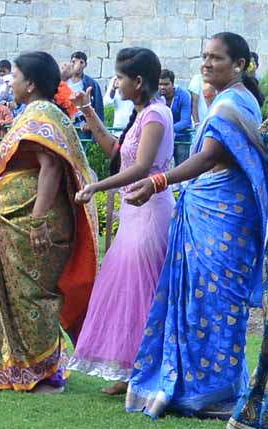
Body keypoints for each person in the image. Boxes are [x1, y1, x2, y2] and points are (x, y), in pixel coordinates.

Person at [125, 33, 268, 419]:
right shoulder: (229, 101)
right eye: (204, 56)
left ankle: (215, 392)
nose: (206, 63)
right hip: (210, 211)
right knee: (195, 300)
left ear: (239, 64)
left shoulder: (233, 104)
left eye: (216, 58)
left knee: (219, 302)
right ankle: (197, 388)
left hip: (227, 218)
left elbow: (208, 158)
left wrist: (158, 181)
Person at [0, 51, 97, 393]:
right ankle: (23, 366)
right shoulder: (35, 113)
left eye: (14, 77)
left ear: (30, 84)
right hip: (17, 218)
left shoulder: (43, 114)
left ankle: (45, 373)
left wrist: (36, 221)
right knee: (23, 295)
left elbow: (50, 168)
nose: (9, 83)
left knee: (34, 294)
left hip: (32, 220)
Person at [66, 48, 174, 395]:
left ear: (138, 81)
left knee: (143, 291)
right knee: (129, 289)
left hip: (150, 209)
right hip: (134, 211)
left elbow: (141, 168)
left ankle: (144, 371)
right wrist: (87, 110)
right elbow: (118, 153)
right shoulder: (141, 114)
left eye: (121, 77)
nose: (117, 83)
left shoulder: (156, 114)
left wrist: (95, 185)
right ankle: (130, 370)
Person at [158, 69, 193, 165]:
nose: (162, 87)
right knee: (160, 166)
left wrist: (167, 129)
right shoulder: (156, 95)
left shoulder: (184, 95)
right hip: (162, 138)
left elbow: (185, 121)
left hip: (181, 137)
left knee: (182, 168)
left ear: (173, 84)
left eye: (166, 84)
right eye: (160, 84)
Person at [68, 51, 104, 122]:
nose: (77, 65)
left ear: (85, 65)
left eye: (81, 62)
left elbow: (98, 108)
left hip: (82, 122)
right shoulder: (63, 81)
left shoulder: (92, 84)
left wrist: (92, 124)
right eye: (74, 61)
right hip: (65, 119)